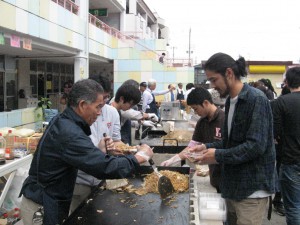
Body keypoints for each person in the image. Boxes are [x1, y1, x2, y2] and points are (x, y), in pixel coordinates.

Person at [19, 79, 153, 225]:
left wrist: (100, 150)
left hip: (51, 199)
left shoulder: (66, 121)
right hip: (42, 204)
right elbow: (103, 167)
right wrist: (139, 157)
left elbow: (85, 155)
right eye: (98, 107)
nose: (100, 112)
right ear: (83, 105)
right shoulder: (69, 132)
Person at [190, 53, 276, 225]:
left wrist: (217, 155)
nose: (213, 87)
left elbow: (255, 146)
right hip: (233, 186)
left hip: (251, 191)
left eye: (214, 80)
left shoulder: (256, 99)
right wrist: (206, 147)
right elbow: (230, 142)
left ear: (229, 73)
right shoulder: (230, 102)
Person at [69, 75, 121, 213]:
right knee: (78, 216)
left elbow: (116, 140)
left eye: (106, 98)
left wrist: (121, 148)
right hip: (79, 182)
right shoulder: (73, 121)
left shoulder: (112, 112)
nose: (104, 103)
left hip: (100, 179)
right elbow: (83, 155)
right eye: (100, 101)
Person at [161, 87, 225, 192]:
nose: (195, 113)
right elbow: (191, 147)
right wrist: (173, 160)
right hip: (214, 178)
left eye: (195, 109)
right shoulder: (202, 122)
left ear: (205, 103)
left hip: (228, 179)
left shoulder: (224, 119)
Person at [272, 66, 300, 225]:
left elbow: (274, 131)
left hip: (290, 159)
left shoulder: (282, 101)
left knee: (294, 206)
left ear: (287, 82)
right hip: (291, 160)